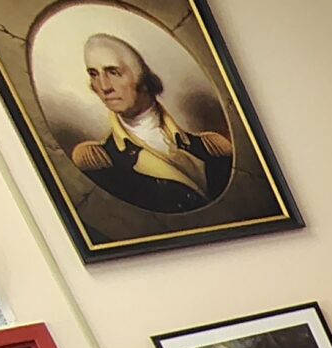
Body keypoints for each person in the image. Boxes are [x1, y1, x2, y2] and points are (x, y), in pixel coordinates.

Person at [68, 33, 233, 214]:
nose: (104, 86)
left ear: (143, 80)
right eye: (94, 75)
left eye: (114, 72)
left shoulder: (211, 146)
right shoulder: (102, 161)